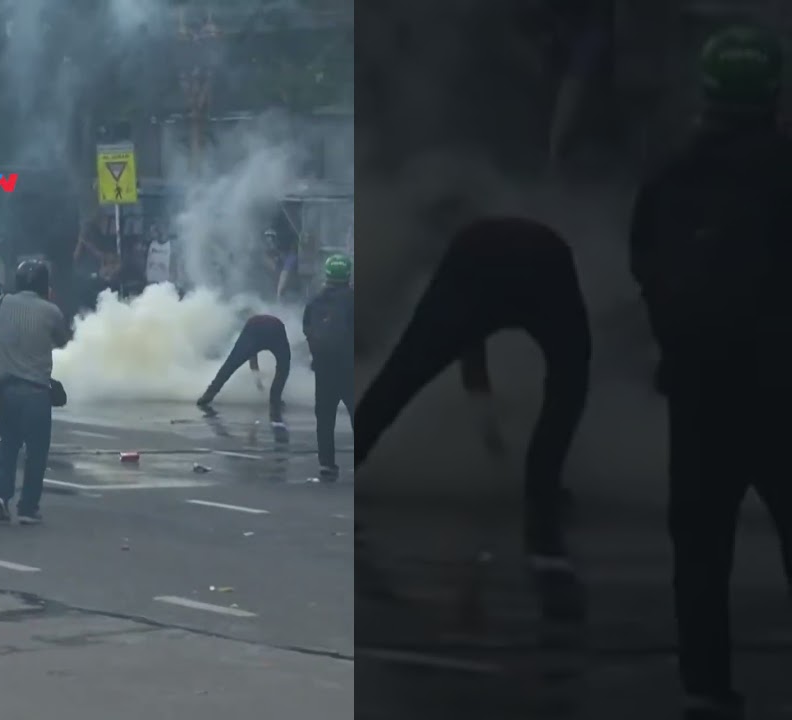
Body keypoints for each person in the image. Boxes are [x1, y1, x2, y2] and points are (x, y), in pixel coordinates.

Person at [629, 25, 792, 720]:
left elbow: (646, 270)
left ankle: (706, 691)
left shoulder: (672, 175)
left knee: (699, 553)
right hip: (781, 392)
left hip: (697, 396)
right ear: (775, 91)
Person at [355, 215, 591, 618]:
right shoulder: (520, 259)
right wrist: (492, 437)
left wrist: (490, 434)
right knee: (571, 375)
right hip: (542, 261)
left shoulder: (466, 271)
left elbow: (470, 367)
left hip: (489, 258)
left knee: (404, 372)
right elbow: (476, 371)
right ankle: (541, 487)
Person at [0, 259, 69, 525]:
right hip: (37, 394)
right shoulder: (51, 311)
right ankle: (27, 508)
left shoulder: (3, 303)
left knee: (8, 446)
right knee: (36, 453)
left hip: (5, 392)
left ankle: (1, 496)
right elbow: (62, 340)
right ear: (44, 284)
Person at [304, 254, 355, 480]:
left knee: (324, 418)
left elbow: (307, 329)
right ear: (348, 274)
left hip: (323, 368)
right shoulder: (353, 299)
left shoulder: (315, 301)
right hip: (349, 367)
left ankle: (326, 464)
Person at [197, 313, 290, 421]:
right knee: (284, 366)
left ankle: (207, 397)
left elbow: (252, 363)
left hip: (258, 328)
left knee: (230, 365)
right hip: (275, 329)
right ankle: (275, 399)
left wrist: (258, 383)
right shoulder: (263, 327)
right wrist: (259, 384)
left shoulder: (251, 330)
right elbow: (254, 363)